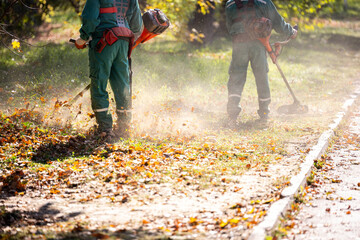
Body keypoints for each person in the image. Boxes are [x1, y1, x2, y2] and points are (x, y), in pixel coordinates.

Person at [75, 0, 143, 140]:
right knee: (122, 84)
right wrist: (128, 39)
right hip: (124, 40)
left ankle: (105, 129)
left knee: (99, 83)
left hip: (103, 41)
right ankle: (124, 126)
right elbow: (136, 24)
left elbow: (90, 17)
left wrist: (83, 38)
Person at [225, 0, 297, 127]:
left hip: (239, 44)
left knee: (236, 77)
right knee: (261, 77)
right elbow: (279, 24)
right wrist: (291, 32)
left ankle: (232, 116)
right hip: (258, 46)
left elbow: (229, 27)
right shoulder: (263, 2)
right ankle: (264, 116)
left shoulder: (230, 4)